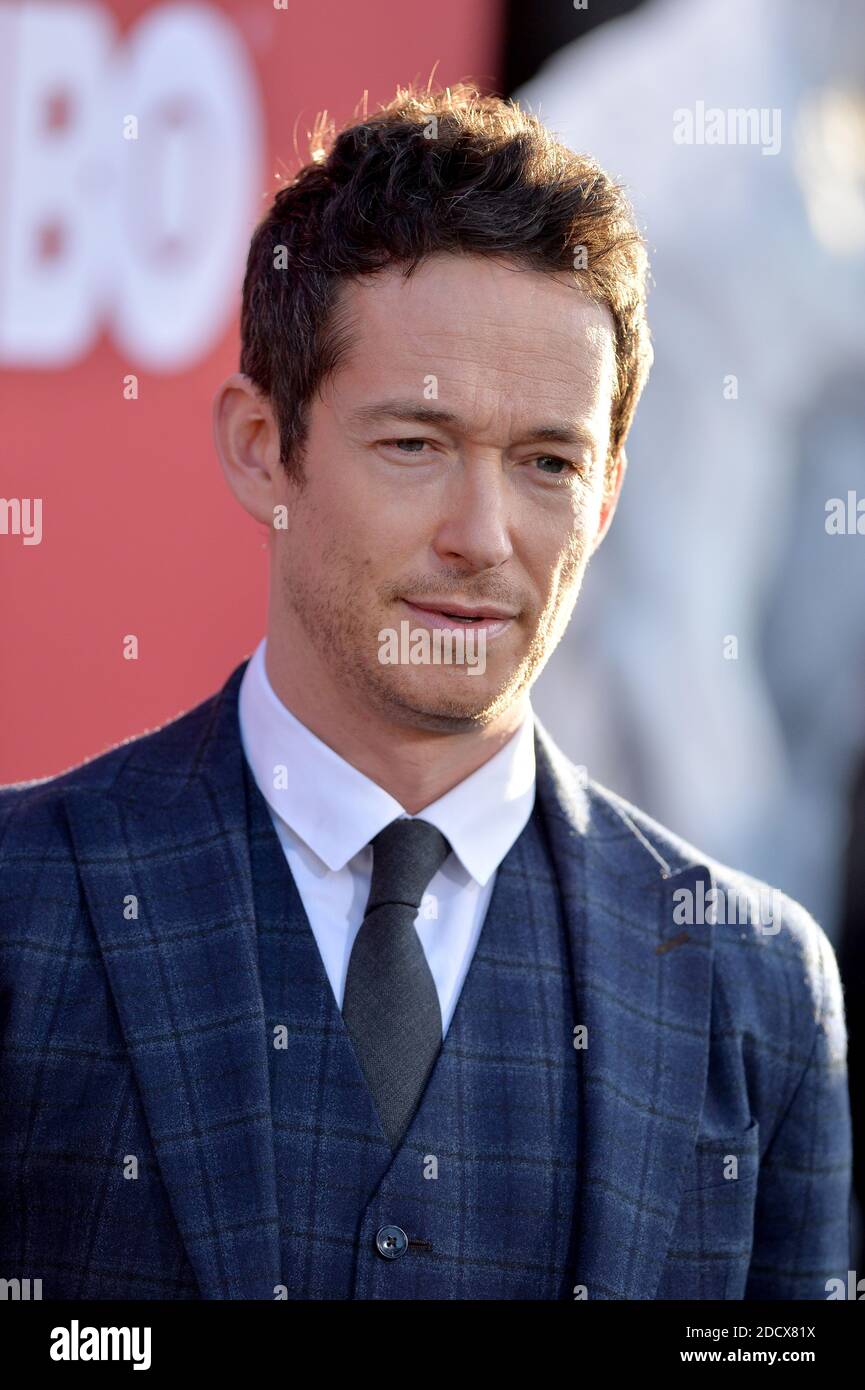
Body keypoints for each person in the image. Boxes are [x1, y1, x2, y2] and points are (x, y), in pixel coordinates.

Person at [0, 84, 851, 1301]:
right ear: (260, 446)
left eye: (547, 462)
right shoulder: (22, 911)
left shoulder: (755, 992)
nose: (482, 535)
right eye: (415, 444)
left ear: (605, 498)